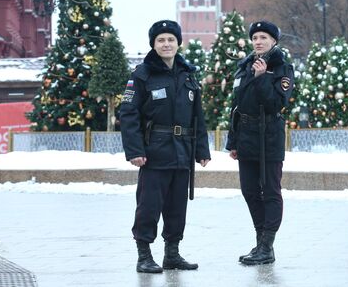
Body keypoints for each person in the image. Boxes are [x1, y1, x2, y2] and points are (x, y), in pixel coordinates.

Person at [120, 19, 211, 273]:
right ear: (153, 44)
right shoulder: (142, 74)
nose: (166, 44)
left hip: (182, 151)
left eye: (171, 39)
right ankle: (144, 255)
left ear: (178, 42)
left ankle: (172, 254)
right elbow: (128, 114)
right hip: (153, 152)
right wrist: (135, 151)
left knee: (177, 207)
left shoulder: (187, 74)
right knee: (149, 206)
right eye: (161, 40)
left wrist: (202, 149)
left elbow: (198, 116)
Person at [226, 20, 295, 265]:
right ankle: (261, 243)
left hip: (269, 134)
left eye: (264, 37)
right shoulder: (244, 65)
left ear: (274, 41)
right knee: (250, 191)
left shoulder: (282, 67)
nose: (258, 42)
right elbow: (237, 104)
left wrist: (262, 77)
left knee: (271, 191)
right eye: (255, 38)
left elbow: (276, 103)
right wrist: (232, 141)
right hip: (245, 134)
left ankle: (267, 245)